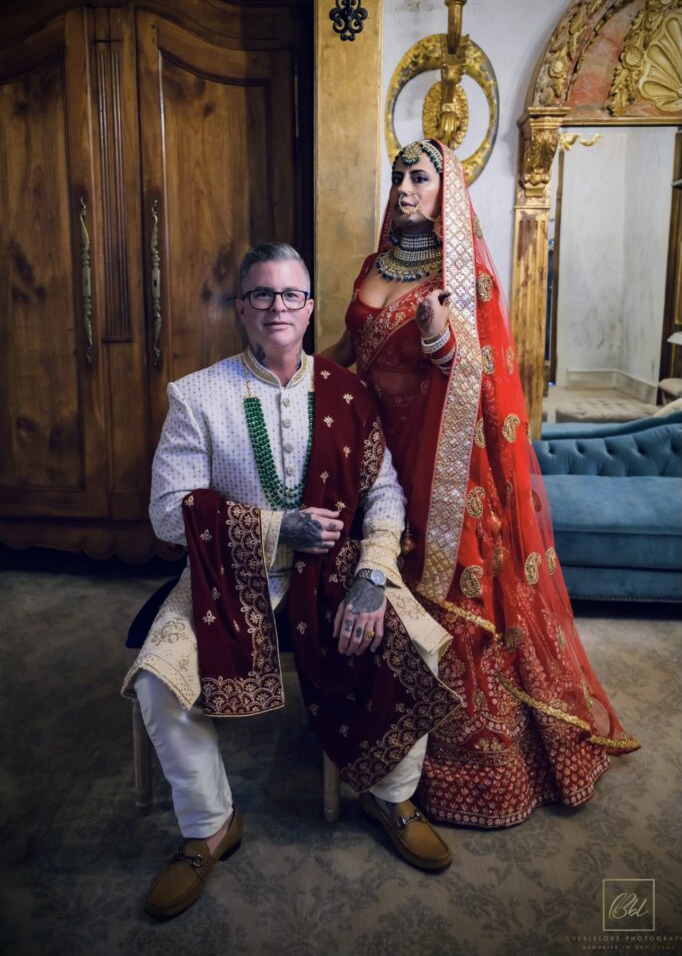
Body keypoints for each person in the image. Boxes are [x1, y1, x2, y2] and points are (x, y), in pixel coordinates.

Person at [122, 242, 460, 920]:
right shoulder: (198, 397)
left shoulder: (348, 393)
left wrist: (371, 576)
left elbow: (384, 496)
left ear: (309, 309)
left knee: (419, 642)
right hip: (229, 571)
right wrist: (276, 529)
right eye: (262, 295)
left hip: (339, 566)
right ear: (241, 309)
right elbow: (166, 514)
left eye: (291, 295)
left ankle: (389, 793)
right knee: (160, 679)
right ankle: (210, 824)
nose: (278, 307)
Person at [323, 139, 639, 828]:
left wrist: (438, 334)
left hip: (443, 461)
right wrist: (293, 376)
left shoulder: (459, 277)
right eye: (399, 176)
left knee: (452, 598)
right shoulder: (371, 267)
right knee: (377, 586)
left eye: (421, 178)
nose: (406, 188)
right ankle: (377, 734)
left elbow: (482, 371)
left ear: (447, 191)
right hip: (379, 456)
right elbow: (349, 354)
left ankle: (463, 766)